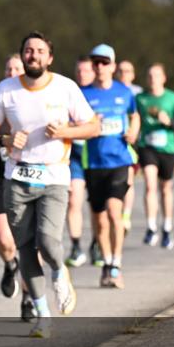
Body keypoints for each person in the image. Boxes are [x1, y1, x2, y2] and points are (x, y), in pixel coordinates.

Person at [0, 32, 98, 338]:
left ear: (49, 58)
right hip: (16, 178)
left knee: (47, 241)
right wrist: (4, 139)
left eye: (39, 51)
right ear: (23, 56)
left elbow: (93, 126)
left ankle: (60, 271)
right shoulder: (5, 91)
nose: (33, 55)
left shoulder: (65, 87)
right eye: (28, 51)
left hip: (55, 177)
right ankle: (43, 316)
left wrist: (65, 132)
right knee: (25, 249)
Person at [81, 44, 140, 289]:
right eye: (96, 62)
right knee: (100, 219)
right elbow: (73, 121)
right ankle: (106, 261)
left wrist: (134, 131)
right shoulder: (83, 94)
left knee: (115, 213)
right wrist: (90, 124)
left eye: (105, 62)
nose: (100, 67)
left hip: (120, 160)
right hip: (94, 162)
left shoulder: (124, 92)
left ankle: (117, 262)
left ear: (113, 66)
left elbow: (134, 115)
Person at [0, 55, 35, 317]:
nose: (12, 71)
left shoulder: (36, 102)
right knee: (3, 239)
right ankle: (9, 263)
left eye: (17, 68)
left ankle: (27, 298)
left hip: (28, 177)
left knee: (26, 242)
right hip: (1, 178)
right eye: (8, 68)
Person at [135, 63, 174, 250]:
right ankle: (151, 227)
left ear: (164, 78)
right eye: (149, 75)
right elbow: (134, 120)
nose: (152, 79)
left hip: (168, 148)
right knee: (150, 185)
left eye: (156, 75)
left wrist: (170, 122)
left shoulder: (173, 98)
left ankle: (166, 227)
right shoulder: (140, 99)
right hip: (147, 147)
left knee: (165, 188)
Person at [65, 55, 97, 267]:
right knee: (74, 201)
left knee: (97, 207)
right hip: (74, 157)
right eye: (78, 71)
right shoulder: (68, 94)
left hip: (97, 157)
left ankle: (97, 244)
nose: (81, 74)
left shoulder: (101, 93)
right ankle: (76, 246)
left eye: (85, 71)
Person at [116, 59, 142, 232]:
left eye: (128, 71)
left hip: (132, 143)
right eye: (121, 71)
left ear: (133, 74)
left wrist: (134, 132)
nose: (124, 74)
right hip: (113, 142)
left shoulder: (138, 93)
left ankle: (125, 215)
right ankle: (116, 213)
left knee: (129, 180)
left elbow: (140, 116)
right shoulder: (111, 90)